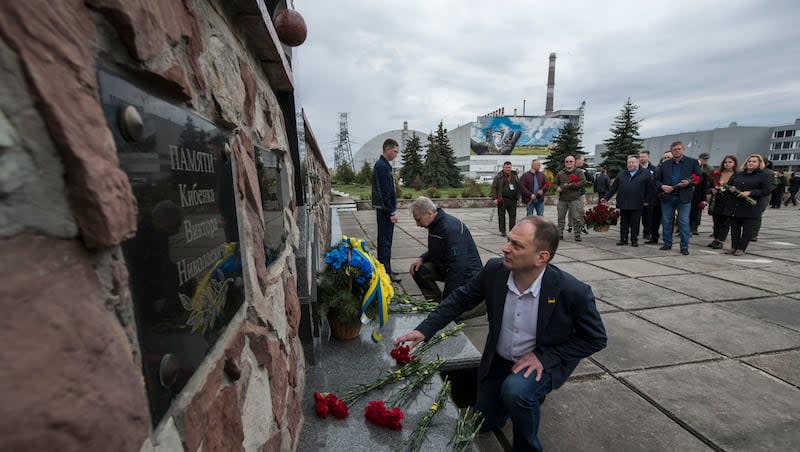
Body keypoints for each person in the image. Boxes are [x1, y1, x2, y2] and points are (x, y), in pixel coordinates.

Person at [395, 216, 607, 452]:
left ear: (541, 257)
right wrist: (423, 330)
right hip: (499, 360)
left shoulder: (572, 291)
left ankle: (527, 443)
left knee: (516, 392)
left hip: (539, 362)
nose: (505, 248)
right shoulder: (495, 270)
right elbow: (461, 298)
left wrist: (545, 357)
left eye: (517, 245)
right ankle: (513, 400)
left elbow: (595, 338)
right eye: (508, 241)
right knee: (484, 421)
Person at [408, 197, 483, 302]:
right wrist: (422, 258)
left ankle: (480, 304)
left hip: (467, 275)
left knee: (456, 315)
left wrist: (447, 301)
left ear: (429, 213)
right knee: (419, 270)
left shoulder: (450, 228)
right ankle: (434, 303)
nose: (417, 224)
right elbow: (438, 249)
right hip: (446, 268)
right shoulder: (433, 224)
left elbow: (458, 267)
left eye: (418, 219)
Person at [652, 141, 702, 255]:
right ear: (671, 150)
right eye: (674, 149)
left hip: (684, 197)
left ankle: (684, 246)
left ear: (683, 149)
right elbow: (656, 180)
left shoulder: (692, 162)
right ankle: (667, 243)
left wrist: (689, 182)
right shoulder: (665, 164)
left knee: (683, 221)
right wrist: (662, 186)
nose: (677, 151)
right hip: (668, 197)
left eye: (679, 149)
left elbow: (699, 178)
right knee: (666, 221)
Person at [720, 154, 772, 256]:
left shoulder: (763, 175)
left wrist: (750, 193)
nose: (751, 163)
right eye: (749, 161)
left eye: (754, 161)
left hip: (750, 206)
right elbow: (729, 185)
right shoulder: (738, 174)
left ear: (759, 163)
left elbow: (766, 190)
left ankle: (741, 248)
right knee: (735, 228)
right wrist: (730, 189)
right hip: (736, 205)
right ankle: (734, 246)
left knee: (747, 229)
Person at [601, 155, 653, 247]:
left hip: (637, 203)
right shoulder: (621, 173)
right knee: (624, 223)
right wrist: (606, 198)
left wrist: (648, 200)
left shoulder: (646, 173)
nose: (630, 164)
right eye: (629, 162)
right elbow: (614, 187)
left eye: (633, 162)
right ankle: (623, 239)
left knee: (635, 223)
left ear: (638, 163)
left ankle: (634, 240)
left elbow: (650, 188)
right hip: (623, 202)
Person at [371, 138, 401, 282]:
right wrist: (391, 212)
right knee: (385, 242)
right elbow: (384, 194)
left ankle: (384, 270)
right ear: (387, 149)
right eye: (395, 151)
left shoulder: (383, 165)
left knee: (384, 241)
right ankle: (386, 273)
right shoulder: (382, 166)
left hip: (384, 210)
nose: (396, 154)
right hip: (385, 211)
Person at [554, 156, 588, 242]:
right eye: (567, 161)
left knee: (576, 218)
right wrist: (557, 187)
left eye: (570, 161)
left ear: (574, 162)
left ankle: (577, 235)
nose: (568, 163)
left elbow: (583, 182)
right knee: (560, 218)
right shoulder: (560, 173)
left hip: (574, 199)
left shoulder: (579, 172)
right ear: (564, 163)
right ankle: (560, 234)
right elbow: (554, 183)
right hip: (562, 200)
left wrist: (572, 185)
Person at [707, 155, 737, 250]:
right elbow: (709, 185)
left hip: (729, 200)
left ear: (734, 164)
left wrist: (732, 190)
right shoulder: (717, 174)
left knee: (725, 221)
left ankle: (720, 240)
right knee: (716, 221)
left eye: (730, 162)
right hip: (717, 199)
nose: (727, 164)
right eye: (725, 162)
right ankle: (716, 238)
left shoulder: (737, 174)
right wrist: (712, 190)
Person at [645, 151, 674, 245]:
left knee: (667, 220)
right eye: (665, 157)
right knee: (654, 219)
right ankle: (654, 237)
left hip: (670, 198)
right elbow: (653, 182)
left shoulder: (675, 169)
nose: (666, 159)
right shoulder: (658, 169)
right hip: (657, 198)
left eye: (669, 157)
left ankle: (667, 240)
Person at [491, 161, 521, 237]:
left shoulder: (514, 175)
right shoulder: (499, 176)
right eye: (506, 167)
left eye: (509, 167)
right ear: (503, 167)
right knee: (501, 216)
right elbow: (494, 188)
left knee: (513, 216)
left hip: (513, 199)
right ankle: (503, 230)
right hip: (502, 199)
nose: (508, 169)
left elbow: (518, 186)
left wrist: (518, 196)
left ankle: (512, 230)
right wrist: (494, 198)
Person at [750, 158, 775, 242]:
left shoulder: (769, 173)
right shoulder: (751, 171)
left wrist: (764, 190)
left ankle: (754, 234)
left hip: (763, 197)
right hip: (750, 194)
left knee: (757, 215)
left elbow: (774, 184)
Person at [689, 153, 712, 236]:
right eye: (703, 159)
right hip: (689, 196)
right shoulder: (690, 170)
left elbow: (704, 187)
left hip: (698, 196)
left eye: (706, 159)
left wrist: (704, 199)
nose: (704, 160)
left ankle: (693, 228)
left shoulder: (708, 170)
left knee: (695, 214)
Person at [569, 156, 592, 234]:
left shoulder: (584, 169)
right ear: (577, 160)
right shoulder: (571, 168)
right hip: (572, 193)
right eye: (582, 160)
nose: (583, 162)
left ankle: (582, 226)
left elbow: (591, 178)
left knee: (582, 210)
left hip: (581, 193)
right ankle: (570, 225)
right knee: (572, 210)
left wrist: (585, 172)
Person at [638, 150, 657, 241]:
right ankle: (634, 232)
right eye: (640, 157)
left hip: (649, 197)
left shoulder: (654, 169)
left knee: (648, 217)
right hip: (638, 196)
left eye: (644, 157)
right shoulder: (636, 168)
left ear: (648, 157)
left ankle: (647, 232)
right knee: (636, 216)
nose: (642, 159)